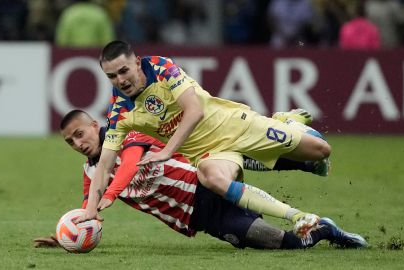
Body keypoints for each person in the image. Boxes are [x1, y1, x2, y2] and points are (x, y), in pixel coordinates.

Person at [76, 40, 331, 235]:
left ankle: (285, 121)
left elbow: (194, 111)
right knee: (213, 179)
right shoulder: (120, 111)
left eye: (123, 71)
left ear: (136, 62)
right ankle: (297, 216)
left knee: (321, 151)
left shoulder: (161, 67)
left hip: (234, 125)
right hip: (206, 154)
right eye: (111, 76)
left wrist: (167, 151)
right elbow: (105, 163)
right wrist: (90, 210)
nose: (120, 80)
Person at [34, 110, 367, 249]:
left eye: (80, 134)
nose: (78, 144)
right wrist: (68, 234)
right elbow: (87, 209)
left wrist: (111, 193)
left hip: (202, 179)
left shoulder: (127, 134)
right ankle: (324, 229)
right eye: (70, 142)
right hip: (203, 219)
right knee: (280, 244)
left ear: (94, 125)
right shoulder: (91, 174)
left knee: (227, 170)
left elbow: (130, 164)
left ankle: (284, 124)